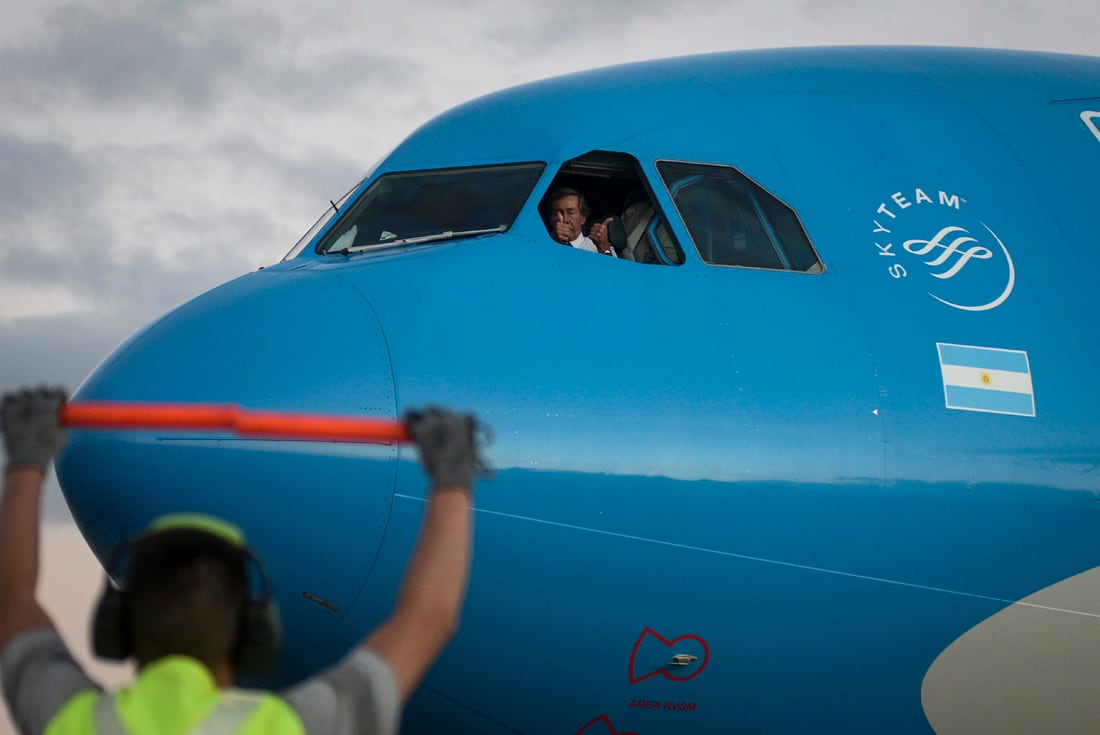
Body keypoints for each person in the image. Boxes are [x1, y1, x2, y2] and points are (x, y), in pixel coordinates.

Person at [0, 387, 488, 734]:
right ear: (256, 632)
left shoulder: (69, 720)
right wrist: (452, 478)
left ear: (117, 625)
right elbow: (430, 616)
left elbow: (11, 599)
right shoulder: (290, 726)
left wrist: (25, 462)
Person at [543, 187, 618, 257]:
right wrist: (553, 242)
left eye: (571, 213)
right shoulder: (540, 244)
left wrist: (603, 246)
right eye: (558, 213)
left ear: (583, 218)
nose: (565, 219)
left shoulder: (596, 248)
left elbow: (613, 270)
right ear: (551, 219)